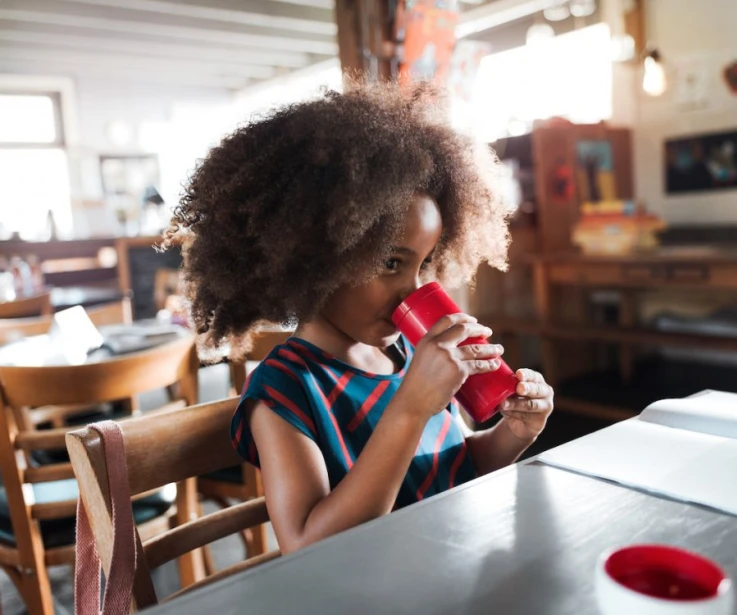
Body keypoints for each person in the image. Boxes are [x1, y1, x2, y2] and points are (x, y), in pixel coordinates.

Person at [164, 80, 554, 555]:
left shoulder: (411, 355)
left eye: (424, 264)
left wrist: (512, 433)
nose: (414, 289)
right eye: (391, 263)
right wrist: (410, 408)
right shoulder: (285, 390)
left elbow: (451, 469)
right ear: (317, 260)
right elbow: (308, 546)